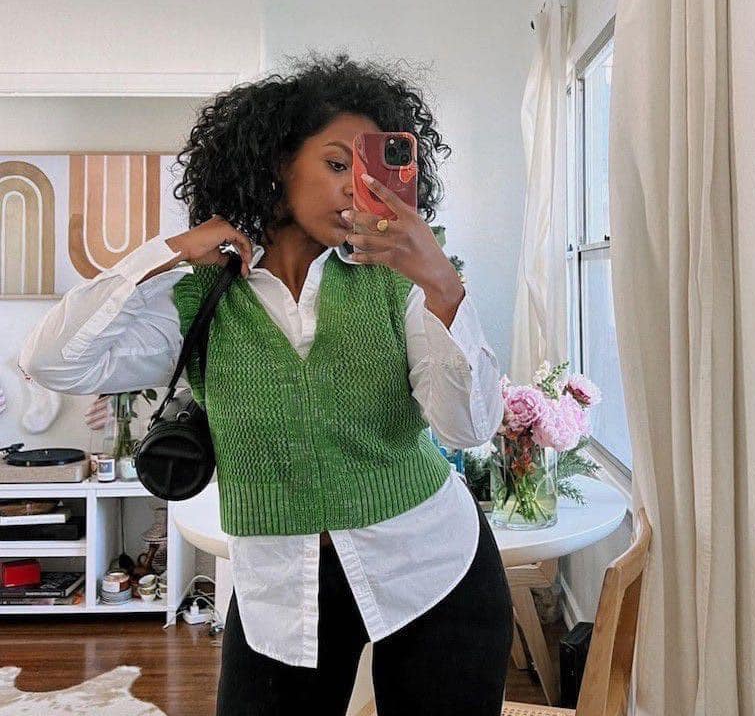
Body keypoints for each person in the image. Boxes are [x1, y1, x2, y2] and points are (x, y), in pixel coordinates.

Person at [19, 51, 515, 715]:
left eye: (369, 171)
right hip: (282, 593)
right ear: (278, 165)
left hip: (434, 568)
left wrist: (443, 285)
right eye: (336, 164)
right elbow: (53, 362)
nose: (354, 188)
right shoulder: (200, 297)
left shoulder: (400, 284)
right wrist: (167, 252)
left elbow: (468, 427)